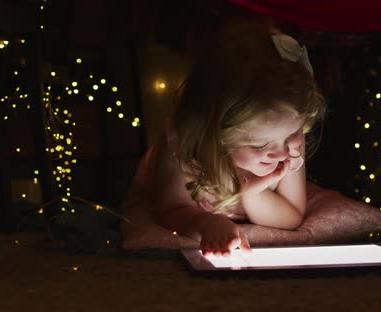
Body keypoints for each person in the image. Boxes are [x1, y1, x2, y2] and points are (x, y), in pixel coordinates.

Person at [120, 16, 326, 258]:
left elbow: (291, 217)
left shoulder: (287, 141)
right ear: (215, 133)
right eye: (259, 144)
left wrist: (252, 193)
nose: (281, 152)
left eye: (293, 133)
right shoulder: (185, 144)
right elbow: (171, 209)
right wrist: (206, 223)